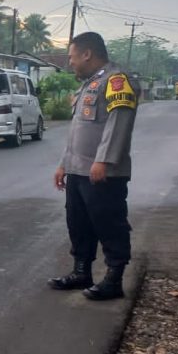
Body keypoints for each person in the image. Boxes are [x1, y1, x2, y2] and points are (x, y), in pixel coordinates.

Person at [49, 32, 138, 302]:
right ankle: (81, 272)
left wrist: (104, 160)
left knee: (109, 223)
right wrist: (64, 164)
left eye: (72, 56)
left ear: (87, 54)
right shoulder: (88, 84)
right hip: (78, 170)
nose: (70, 62)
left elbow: (118, 121)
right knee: (78, 223)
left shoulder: (117, 80)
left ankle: (113, 279)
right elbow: (79, 130)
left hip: (103, 171)